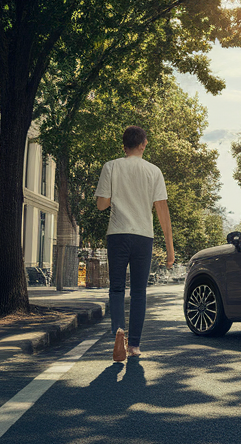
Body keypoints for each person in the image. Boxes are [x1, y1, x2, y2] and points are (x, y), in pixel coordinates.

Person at [95, 125, 174, 361]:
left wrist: (117, 194)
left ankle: (119, 331)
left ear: (124, 146)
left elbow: (101, 205)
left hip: (117, 235)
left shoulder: (110, 167)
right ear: (143, 144)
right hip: (143, 236)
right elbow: (162, 211)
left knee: (117, 289)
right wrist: (170, 249)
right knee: (139, 291)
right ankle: (135, 346)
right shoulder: (154, 171)